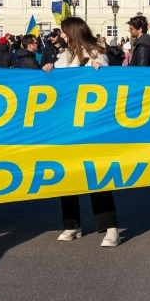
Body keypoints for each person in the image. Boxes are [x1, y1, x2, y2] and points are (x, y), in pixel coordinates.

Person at [43, 17, 121, 247]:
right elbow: (53, 87)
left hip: (91, 127)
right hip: (66, 126)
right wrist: (47, 71)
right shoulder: (62, 57)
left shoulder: (97, 54)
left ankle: (111, 228)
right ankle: (71, 225)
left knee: (96, 176)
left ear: (72, 32)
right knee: (67, 175)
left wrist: (101, 74)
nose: (60, 35)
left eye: (63, 31)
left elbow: (108, 88)